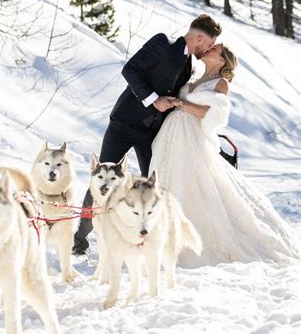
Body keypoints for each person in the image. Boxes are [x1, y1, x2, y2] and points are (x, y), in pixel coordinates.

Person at [72, 14, 222, 255]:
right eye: (208, 43)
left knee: (150, 186)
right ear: (200, 38)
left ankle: (140, 238)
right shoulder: (162, 43)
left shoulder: (190, 65)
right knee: (100, 181)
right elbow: (130, 70)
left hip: (151, 133)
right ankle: (80, 238)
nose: (207, 49)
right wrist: (154, 100)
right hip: (123, 123)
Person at [150, 43, 299, 266]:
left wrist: (181, 103)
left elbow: (208, 113)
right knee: (168, 180)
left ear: (222, 60)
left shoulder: (221, 84)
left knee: (197, 185)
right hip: (172, 133)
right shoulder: (192, 77)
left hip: (193, 136)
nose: (208, 49)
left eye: (214, 49)